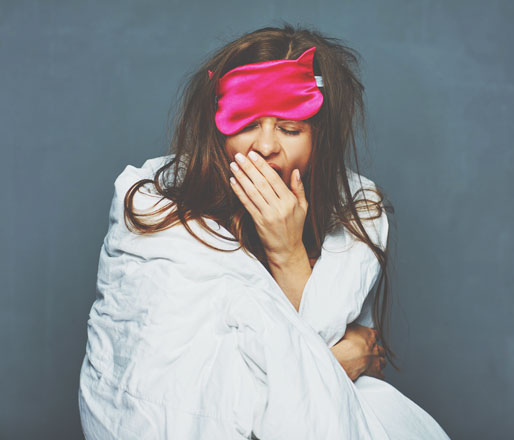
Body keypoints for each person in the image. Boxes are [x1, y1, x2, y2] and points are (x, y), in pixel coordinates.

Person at [78, 23, 451, 439]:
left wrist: (287, 251)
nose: (266, 146)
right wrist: (344, 358)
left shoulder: (355, 212)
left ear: (320, 141)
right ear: (216, 130)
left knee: (381, 407)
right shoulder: (155, 210)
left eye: (290, 129)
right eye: (246, 123)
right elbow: (166, 392)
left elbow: (316, 375)